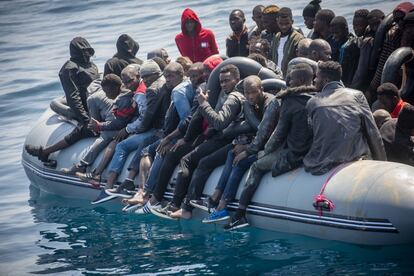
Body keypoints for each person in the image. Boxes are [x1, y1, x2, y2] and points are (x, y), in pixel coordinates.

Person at [141, 65, 244, 215]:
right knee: (177, 155)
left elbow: (216, 121)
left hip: (225, 139)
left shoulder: (231, 96)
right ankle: (166, 201)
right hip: (216, 135)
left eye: (227, 80)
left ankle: (181, 206)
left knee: (190, 160)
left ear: (237, 79)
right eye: (221, 81)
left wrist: (203, 104)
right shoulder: (220, 91)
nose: (223, 84)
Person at [225, 63, 317, 230]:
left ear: (301, 80)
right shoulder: (318, 98)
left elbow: (277, 135)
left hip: (294, 155)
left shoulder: (288, 101)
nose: (287, 80)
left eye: (291, 77)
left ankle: (240, 214)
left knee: (256, 166)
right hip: (313, 153)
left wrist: (262, 153)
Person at [189, 76, 279, 222]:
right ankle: (215, 197)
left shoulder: (271, 103)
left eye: (253, 93)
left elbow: (265, 133)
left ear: (261, 90)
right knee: (232, 153)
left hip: (272, 146)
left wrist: (247, 149)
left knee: (240, 162)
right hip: (259, 144)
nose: (250, 96)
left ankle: (223, 205)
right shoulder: (250, 103)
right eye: (247, 93)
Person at [122, 62, 205, 208]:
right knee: (149, 149)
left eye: (171, 76)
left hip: (179, 135)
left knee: (156, 150)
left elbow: (186, 118)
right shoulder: (179, 87)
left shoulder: (178, 91)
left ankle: (145, 193)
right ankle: (144, 192)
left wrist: (172, 138)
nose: (167, 80)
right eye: (166, 76)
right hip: (177, 133)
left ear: (181, 75)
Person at [90, 60, 169, 203]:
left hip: (155, 130)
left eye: (130, 81)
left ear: (139, 76)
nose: (127, 85)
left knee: (122, 145)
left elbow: (145, 119)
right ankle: (119, 181)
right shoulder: (147, 88)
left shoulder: (143, 93)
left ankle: (110, 186)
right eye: (124, 83)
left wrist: (128, 129)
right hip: (154, 127)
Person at [25, 37, 99, 167]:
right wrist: (84, 118)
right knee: (83, 130)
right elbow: (73, 96)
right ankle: (45, 151)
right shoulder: (69, 68)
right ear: (77, 52)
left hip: (96, 104)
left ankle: (45, 151)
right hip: (84, 108)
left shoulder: (91, 65)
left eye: (88, 51)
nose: (87, 54)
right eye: (84, 51)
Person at [303, 61, 386, 175]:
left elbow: (310, 136)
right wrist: (383, 165)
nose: (314, 80)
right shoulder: (357, 95)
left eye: (317, 76)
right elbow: (373, 132)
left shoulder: (312, 102)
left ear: (326, 80)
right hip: (356, 159)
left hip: (321, 164)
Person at [61, 73, 136, 175]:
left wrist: (100, 126)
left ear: (114, 89)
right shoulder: (124, 93)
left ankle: (82, 165)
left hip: (127, 127)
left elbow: (118, 123)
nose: (106, 95)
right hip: (128, 123)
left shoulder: (122, 99)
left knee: (104, 136)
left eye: (107, 92)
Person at [366, 2, 414, 104]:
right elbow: (383, 65)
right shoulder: (393, 35)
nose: (400, 23)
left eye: (402, 19)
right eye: (397, 20)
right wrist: (372, 89)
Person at [271, 7, 304, 76]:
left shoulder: (298, 38)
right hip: (276, 76)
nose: (284, 27)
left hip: (291, 77)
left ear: (292, 22)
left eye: (287, 23)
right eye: (281, 24)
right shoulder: (276, 38)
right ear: (277, 21)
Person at [330, 16, 359, 86]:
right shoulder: (336, 41)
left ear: (346, 30)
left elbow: (343, 68)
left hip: (346, 82)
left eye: (337, 33)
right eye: (332, 33)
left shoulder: (347, 46)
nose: (334, 36)